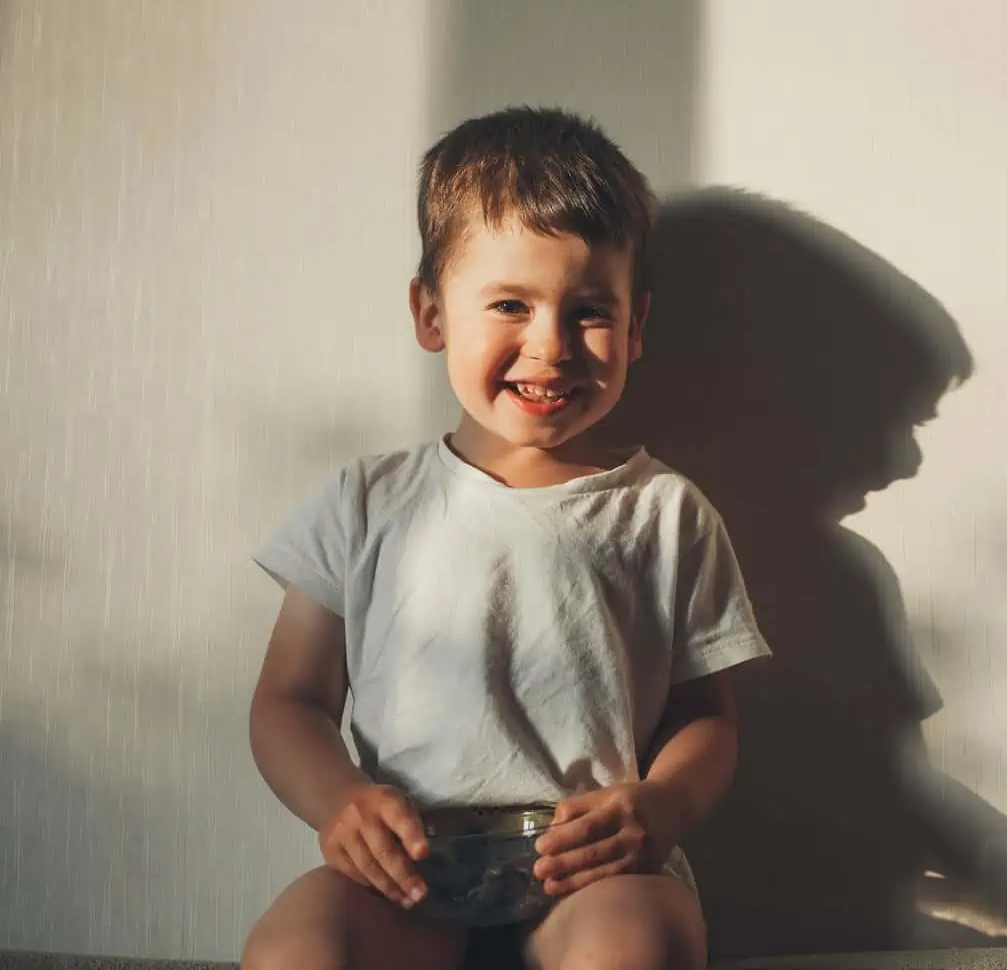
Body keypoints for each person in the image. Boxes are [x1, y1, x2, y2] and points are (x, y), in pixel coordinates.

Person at [240, 107, 770, 970]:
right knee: (293, 951)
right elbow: (288, 701)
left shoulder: (664, 511)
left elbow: (707, 719)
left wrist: (662, 807)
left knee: (633, 948)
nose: (550, 346)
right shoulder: (364, 502)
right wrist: (339, 801)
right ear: (430, 314)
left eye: (588, 310)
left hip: (596, 873)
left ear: (635, 328)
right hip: (407, 875)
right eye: (510, 304)